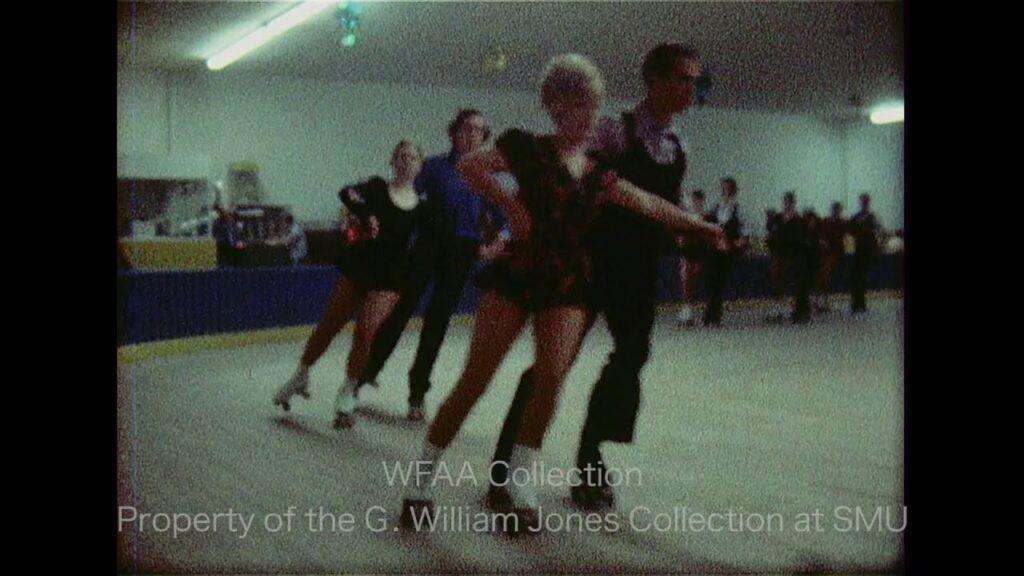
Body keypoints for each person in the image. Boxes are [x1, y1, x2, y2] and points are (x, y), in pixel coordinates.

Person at [399, 53, 725, 531]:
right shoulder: (525, 149)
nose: (590, 118)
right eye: (579, 107)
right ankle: (422, 479)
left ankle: (518, 479)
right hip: (518, 274)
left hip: (569, 280)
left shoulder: (599, 172)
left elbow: (648, 202)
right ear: (554, 106)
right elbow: (470, 165)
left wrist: (699, 225)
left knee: (552, 377)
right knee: (476, 378)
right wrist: (510, 205)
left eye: (594, 107)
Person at [346, 109, 507, 424]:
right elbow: (403, 192)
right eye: (466, 128)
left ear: (484, 137)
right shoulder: (432, 167)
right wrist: (375, 216)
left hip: (462, 253)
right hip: (427, 247)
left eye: (479, 130)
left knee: (437, 323)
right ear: (454, 132)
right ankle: (365, 375)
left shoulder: (487, 178)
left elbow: (503, 218)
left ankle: (417, 392)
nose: (471, 135)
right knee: (399, 312)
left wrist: (495, 243)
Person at [272, 141, 425, 422]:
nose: (406, 162)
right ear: (393, 161)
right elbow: (346, 192)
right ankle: (301, 374)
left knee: (366, 331)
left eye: (412, 158)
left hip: (391, 278)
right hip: (360, 266)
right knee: (330, 324)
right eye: (401, 157)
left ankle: (349, 388)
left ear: (419, 165)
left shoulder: (421, 207)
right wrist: (366, 215)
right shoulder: (376, 187)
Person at [702, 177, 749, 326]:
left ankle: (714, 315)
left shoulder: (738, 208)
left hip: (729, 248)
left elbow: (745, 231)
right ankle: (710, 314)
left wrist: (736, 243)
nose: (725, 190)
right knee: (711, 280)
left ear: (733, 190)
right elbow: (707, 224)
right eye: (724, 188)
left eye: (728, 188)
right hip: (714, 246)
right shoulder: (716, 206)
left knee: (719, 281)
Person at [676, 189, 708, 326]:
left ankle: (691, 307)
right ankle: (686, 308)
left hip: (700, 250)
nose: (696, 202)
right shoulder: (687, 214)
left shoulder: (705, 215)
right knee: (685, 276)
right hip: (687, 249)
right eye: (694, 200)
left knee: (694, 278)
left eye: (698, 200)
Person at [848, 193, 880, 313]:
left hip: (866, 251)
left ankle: (860, 303)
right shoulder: (856, 217)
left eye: (865, 201)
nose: (863, 203)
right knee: (855, 277)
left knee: (861, 277)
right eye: (862, 201)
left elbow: (875, 232)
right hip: (858, 250)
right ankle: (857, 302)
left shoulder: (871, 217)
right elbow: (850, 229)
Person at [816, 202, 847, 311]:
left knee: (825, 274)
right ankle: (820, 299)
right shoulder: (825, 221)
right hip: (823, 253)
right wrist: (822, 241)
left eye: (837, 210)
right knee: (821, 275)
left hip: (834, 253)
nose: (835, 212)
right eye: (834, 209)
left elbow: (841, 237)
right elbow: (820, 234)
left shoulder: (842, 223)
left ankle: (824, 300)